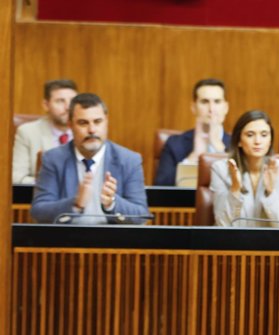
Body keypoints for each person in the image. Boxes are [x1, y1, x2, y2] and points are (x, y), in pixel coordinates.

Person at [31, 93, 149, 225]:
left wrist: (112, 203)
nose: (92, 130)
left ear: (106, 121)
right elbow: (39, 212)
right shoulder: (53, 159)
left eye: (97, 122)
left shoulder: (129, 160)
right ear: (70, 125)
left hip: (113, 242)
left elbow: (141, 215)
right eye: (83, 123)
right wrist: (75, 203)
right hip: (67, 241)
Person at [210, 110, 279, 227]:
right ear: (239, 141)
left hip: (270, 243)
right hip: (232, 243)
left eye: (264, 135)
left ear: (270, 140)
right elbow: (223, 223)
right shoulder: (220, 169)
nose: (258, 141)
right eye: (250, 135)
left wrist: (271, 192)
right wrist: (235, 190)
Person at [154, 78, 231, 185]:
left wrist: (219, 148)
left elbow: (244, 188)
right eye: (205, 102)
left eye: (217, 102)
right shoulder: (174, 143)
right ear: (193, 107)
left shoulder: (239, 144)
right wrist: (194, 156)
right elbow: (161, 188)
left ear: (226, 107)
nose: (211, 109)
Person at [12, 79, 78, 184]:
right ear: (46, 105)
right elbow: (16, 178)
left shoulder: (87, 131)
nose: (68, 107)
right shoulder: (27, 132)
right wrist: (51, 185)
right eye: (60, 101)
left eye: (72, 101)